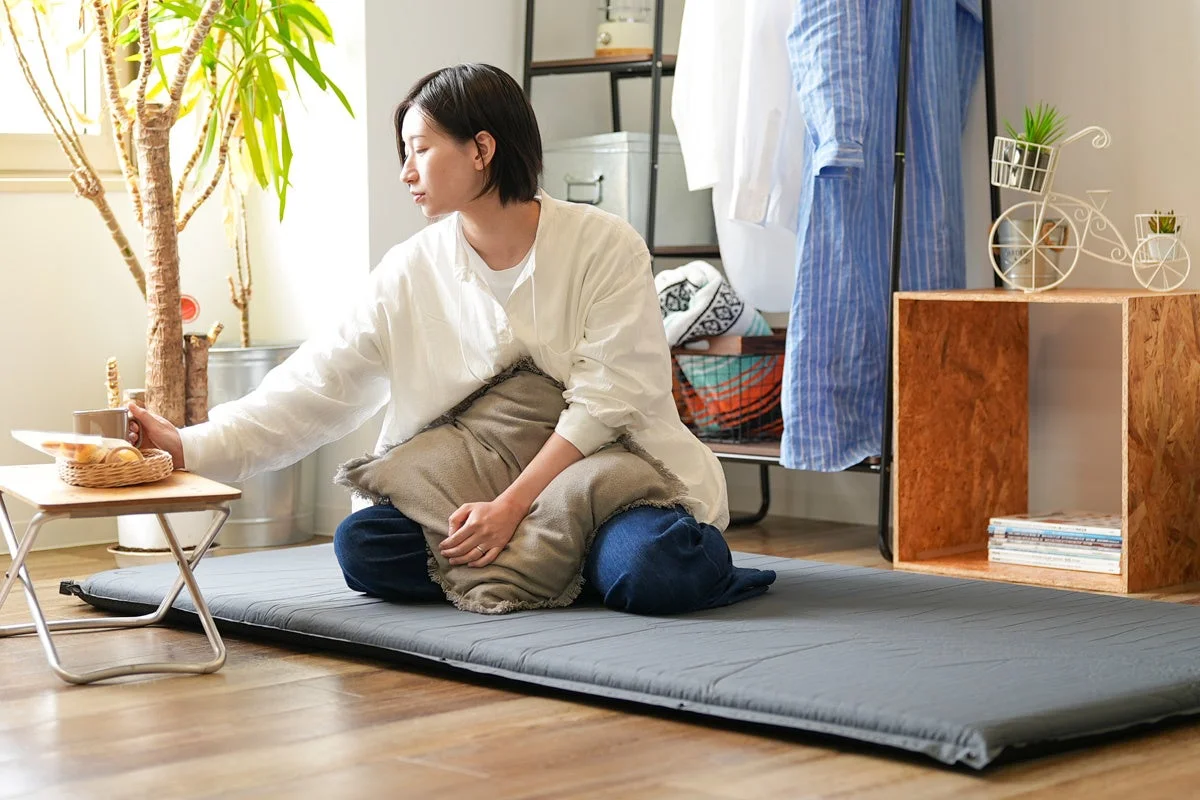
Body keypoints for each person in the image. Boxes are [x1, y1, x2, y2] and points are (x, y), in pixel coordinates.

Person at [128, 63, 776, 615]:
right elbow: (317, 386)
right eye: (404, 152)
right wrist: (188, 445)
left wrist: (513, 506)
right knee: (364, 547)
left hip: (607, 484)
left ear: (482, 150)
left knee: (653, 568)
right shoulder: (410, 269)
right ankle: (555, 570)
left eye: (420, 149)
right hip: (471, 491)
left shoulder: (604, 245)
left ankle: (573, 560)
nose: (406, 171)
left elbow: (610, 403)